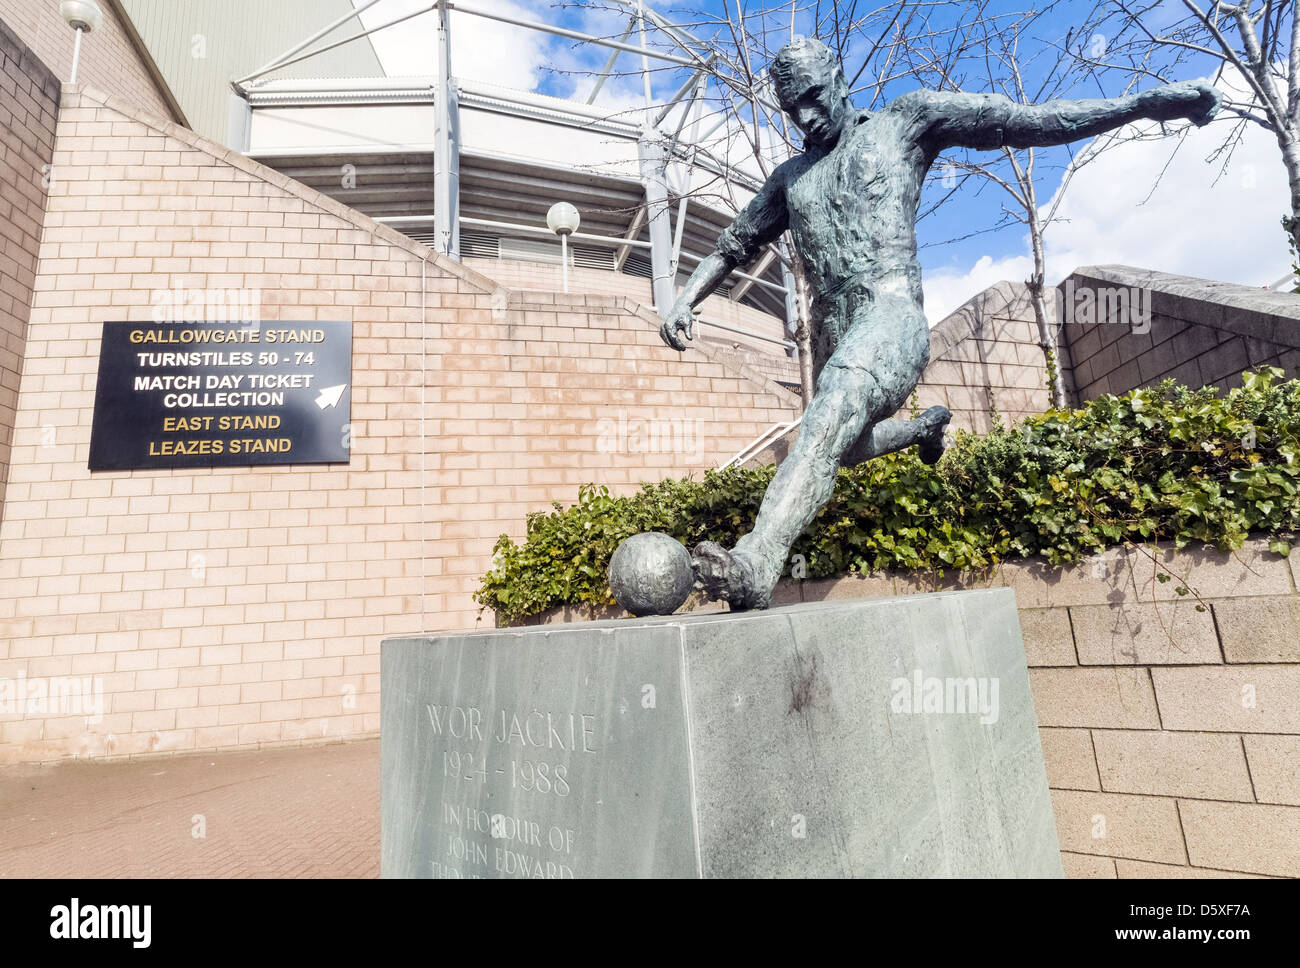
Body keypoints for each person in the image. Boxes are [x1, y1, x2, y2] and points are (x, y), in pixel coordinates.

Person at [659, 36, 1221, 610]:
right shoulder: (789, 178)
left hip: (890, 309)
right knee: (840, 446)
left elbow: (1032, 120)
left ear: (839, 80)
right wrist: (685, 299)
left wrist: (1145, 105)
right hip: (834, 329)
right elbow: (732, 247)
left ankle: (757, 559)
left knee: (832, 412)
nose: (805, 115)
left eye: (811, 97)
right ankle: (925, 427)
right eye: (791, 107)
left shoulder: (908, 120)